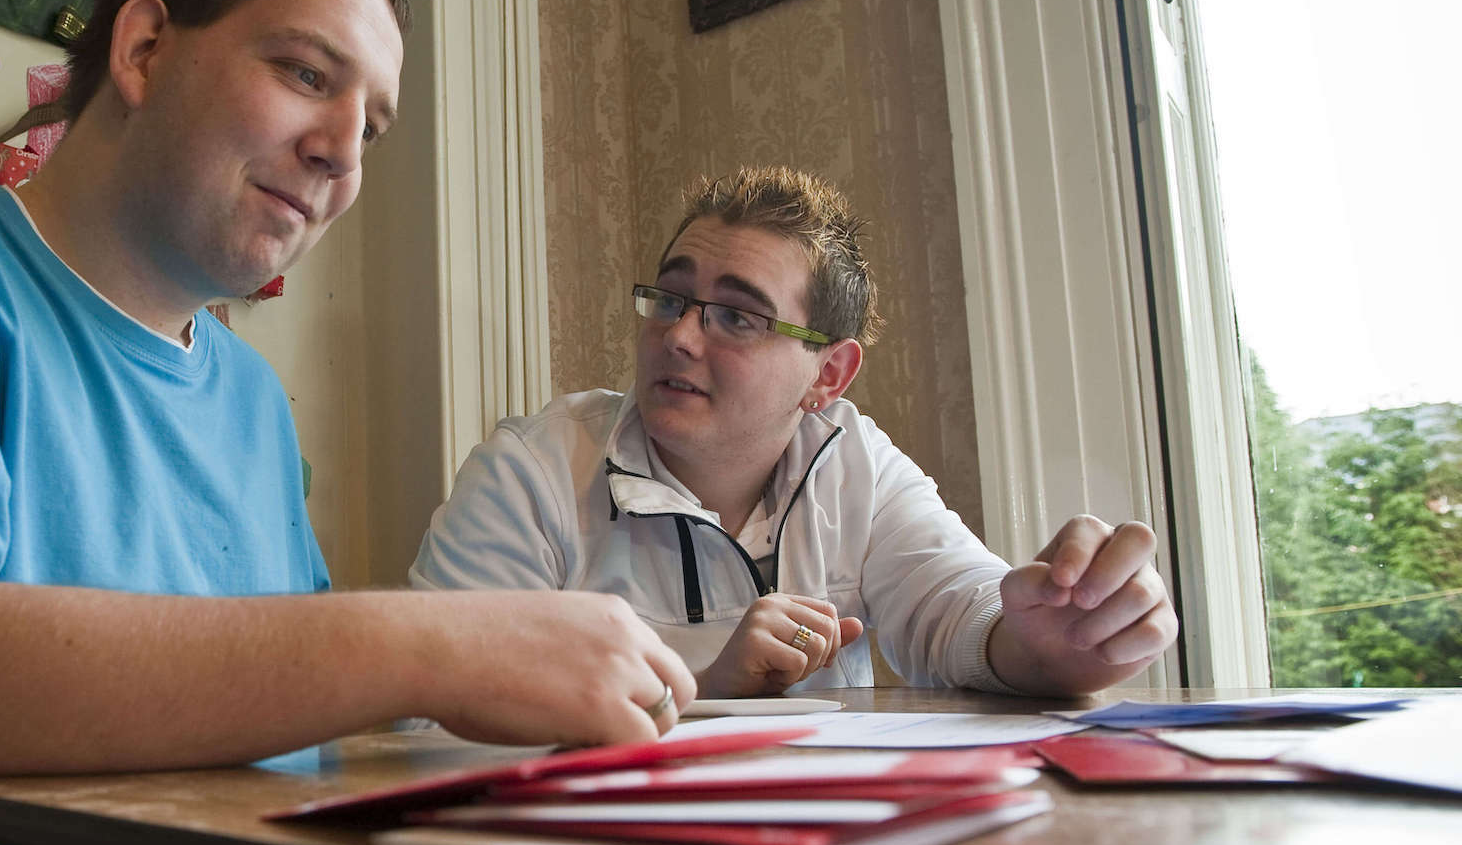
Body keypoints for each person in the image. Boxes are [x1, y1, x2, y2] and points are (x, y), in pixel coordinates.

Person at [0, 0, 694, 845]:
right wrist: (442, 643)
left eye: (372, 129)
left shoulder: (250, 399)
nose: (342, 154)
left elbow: (283, 733)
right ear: (140, 50)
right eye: (306, 72)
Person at [411, 166, 1178, 700]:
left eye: (737, 316)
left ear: (829, 376)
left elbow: (961, 612)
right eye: (670, 298)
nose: (679, 337)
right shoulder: (530, 471)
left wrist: (1049, 643)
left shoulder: (856, 464)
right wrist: (703, 680)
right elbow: (433, 704)